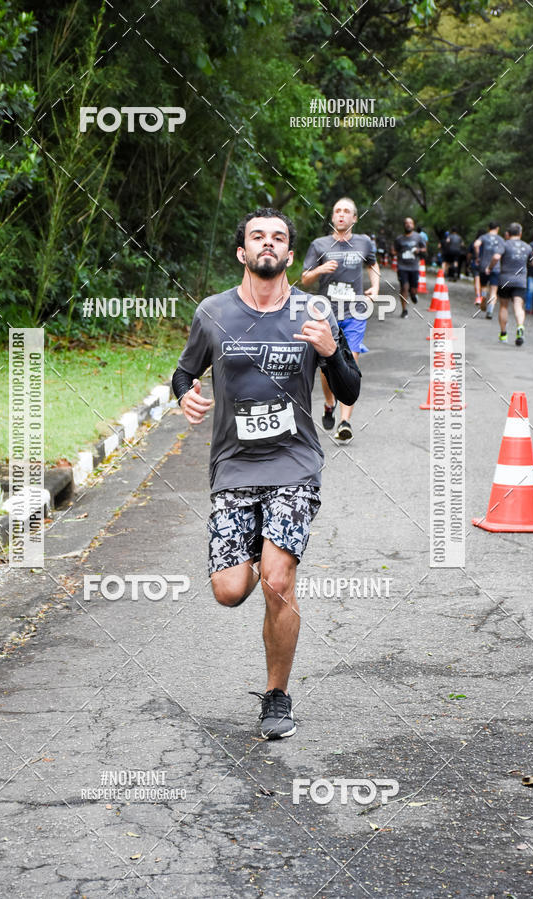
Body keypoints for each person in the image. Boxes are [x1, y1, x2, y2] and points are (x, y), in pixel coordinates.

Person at [172, 207, 361, 739]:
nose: (268, 244)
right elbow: (185, 371)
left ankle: (277, 697)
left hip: (295, 464)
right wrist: (184, 394)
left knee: (278, 581)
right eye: (258, 236)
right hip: (234, 466)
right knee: (231, 590)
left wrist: (329, 351)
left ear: (290, 254)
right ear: (242, 252)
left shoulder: (313, 310)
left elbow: (348, 390)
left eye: (278, 237)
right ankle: (261, 546)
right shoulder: (212, 313)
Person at [300, 197, 379, 440]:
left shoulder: (364, 243)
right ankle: (328, 402)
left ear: (355, 218)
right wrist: (319, 270)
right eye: (337, 211)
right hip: (327, 313)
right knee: (327, 368)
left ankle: (345, 422)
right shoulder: (319, 245)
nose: (342, 215)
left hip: (355, 312)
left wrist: (375, 288)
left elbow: (373, 266)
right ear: (333, 217)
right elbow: (305, 279)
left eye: (347, 211)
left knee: (350, 363)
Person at [488, 222, 532, 345]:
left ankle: (503, 334)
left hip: (505, 280)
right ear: (520, 233)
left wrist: (490, 267)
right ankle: (520, 327)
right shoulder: (527, 247)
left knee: (503, 306)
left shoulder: (504, 244)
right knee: (518, 306)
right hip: (520, 281)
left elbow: (496, 257)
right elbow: (532, 262)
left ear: (508, 234)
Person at [393, 217, 426, 318]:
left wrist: (419, 251)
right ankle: (404, 310)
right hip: (402, 267)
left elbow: (424, 249)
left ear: (413, 225)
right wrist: (394, 253)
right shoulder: (399, 239)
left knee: (413, 289)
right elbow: (394, 250)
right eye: (406, 223)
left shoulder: (418, 237)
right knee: (404, 287)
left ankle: (413, 295)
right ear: (404, 225)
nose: (408, 225)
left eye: (410, 223)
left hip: (414, 267)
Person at [474, 222, 505, 319]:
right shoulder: (501, 239)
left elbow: (476, 244)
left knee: (483, 286)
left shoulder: (484, 237)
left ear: (488, 228)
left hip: (483, 266)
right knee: (493, 290)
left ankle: (483, 299)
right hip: (495, 268)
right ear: (498, 228)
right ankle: (490, 310)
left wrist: (477, 256)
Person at [468, 229, 485, 304]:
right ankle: (483, 297)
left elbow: (469, 254)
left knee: (477, 280)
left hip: (475, 263)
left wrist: (468, 262)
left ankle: (478, 297)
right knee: (484, 282)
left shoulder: (474, 243)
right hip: (485, 264)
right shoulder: (487, 243)